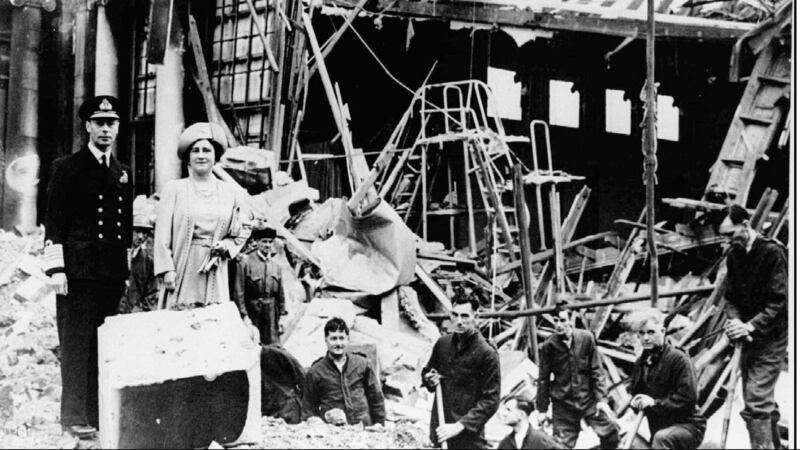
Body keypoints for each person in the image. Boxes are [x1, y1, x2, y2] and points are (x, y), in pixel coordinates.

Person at [43, 95, 132, 439]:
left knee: (102, 347)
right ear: (88, 127)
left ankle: (97, 413)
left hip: (109, 274)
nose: (106, 129)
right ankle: (73, 416)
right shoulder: (67, 167)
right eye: (99, 123)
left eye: (111, 123)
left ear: (117, 128)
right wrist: (56, 270)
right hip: (77, 273)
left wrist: (124, 274)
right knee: (76, 345)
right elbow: (54, 222)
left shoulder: (122, 171)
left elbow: (123, 227)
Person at [153, 122, 251, 308]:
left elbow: (245, 225)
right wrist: (167, 270)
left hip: (214, 268)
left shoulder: (230, 192)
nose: (201, 155)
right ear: (188, 158)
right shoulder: (174, 189)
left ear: (215, 157)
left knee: (211, 324)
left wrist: (228, 245)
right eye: (195, 151)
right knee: (179, 323)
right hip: (183, 267)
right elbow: (162, 236)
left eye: (206, 150)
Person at [719, 204, 788, 449]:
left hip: (771, 336)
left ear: (746, 224)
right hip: (746, 336)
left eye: (730, 234)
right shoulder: (734, 255)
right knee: (759, 397)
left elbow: (780, 301)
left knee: (756, 399)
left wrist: (750, 326)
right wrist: (736, 321)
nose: (727, 241)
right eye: (723, 236)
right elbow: (730, 298)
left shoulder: (772, 252)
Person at [422, 292, 500, 449]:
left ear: (476, 316)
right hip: (441, 429)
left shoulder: (487, 353)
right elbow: (427, 372)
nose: (458, 321)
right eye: (455, 315)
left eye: (465, 316)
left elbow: (491, 400)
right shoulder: (443, 344)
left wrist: (459, 426)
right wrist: (429, 379)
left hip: (468, 436)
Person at [536, 306, 619, 449]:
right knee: (560, 445)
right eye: (555, 321)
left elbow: (597, 371)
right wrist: (542, 409)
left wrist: (602, 400)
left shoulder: (586, 339)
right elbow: (543, 379)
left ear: (571, 321)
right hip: (563, 403)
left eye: (563, 320)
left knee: (610, 432)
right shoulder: (549, 346)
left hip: (588, 400)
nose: (559, 325)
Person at [628, 308, 706, 449]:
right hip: (660, 426)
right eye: (641, 333)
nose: (645, 338)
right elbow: (636, 392)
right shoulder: (641, 362)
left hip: (687, 426)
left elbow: (688, 399)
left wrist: (653, 403)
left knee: (661, 438)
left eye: (651, 332)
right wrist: (635, 401)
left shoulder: (678, 359)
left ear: (662, 332)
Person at [302, 317, 386, 426]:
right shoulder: (315, 371)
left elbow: (376, 398)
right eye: (333, 338)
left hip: (365, 429)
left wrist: (379, 424)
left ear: (348, 340)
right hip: (334, 432)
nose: (338, 343)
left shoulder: (362, 364)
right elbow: (308, 408)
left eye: (342, 338)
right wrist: (315, 422)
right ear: (325, 340)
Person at [232, 226, 285, 345]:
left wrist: (282, 316)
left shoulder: (276, 266)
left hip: (271, 315)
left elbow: (280, 294)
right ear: (257, 242)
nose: (267, 245)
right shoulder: (245, 263)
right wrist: (244, 316)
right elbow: (239, 292)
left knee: (273, 348)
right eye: (264, 241)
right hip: (253, 313)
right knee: (253, 346)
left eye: (270, 242)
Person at [120, 195, 159, 313]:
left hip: (134, 315)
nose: (141, 236)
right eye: (137, 231)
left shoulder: (147, 261)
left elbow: (152, 292)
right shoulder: (115, 255)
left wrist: (141, 309)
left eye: (145, 232)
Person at [260, 344, 306, 424]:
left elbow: (303, 378)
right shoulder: (243, 361)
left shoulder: (273, 353)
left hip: (286, 408)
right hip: (267, 412)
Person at [497, 396, 563, 449]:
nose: (504, 414)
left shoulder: (542, 441)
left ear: (521, 415)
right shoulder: (505, 443)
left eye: (508, 410)